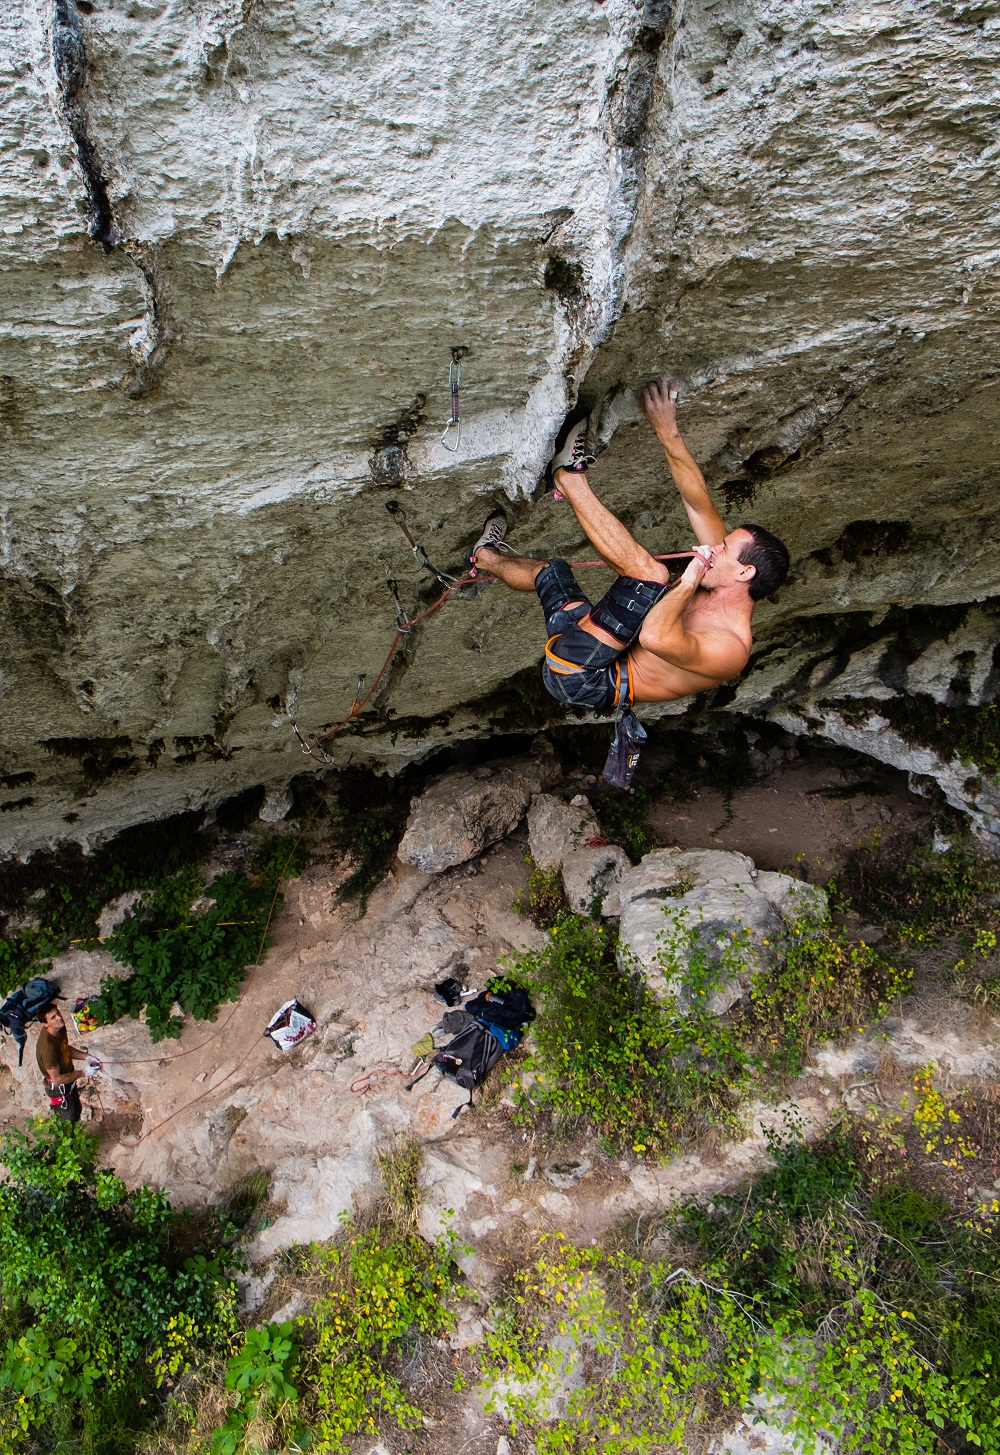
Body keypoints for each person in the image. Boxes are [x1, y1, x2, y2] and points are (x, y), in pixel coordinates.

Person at [469, 379, 789, 779]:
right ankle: (483, 557)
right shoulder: (725, 572)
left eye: (726, 547)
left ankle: (568, 478)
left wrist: (688, 578)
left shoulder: (730, 649)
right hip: (583, 650)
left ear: (745, 572)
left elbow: (655, 637)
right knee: (549, 573)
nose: (713, 546)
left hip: (585, 677)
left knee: (651, 574)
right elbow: (696, 499)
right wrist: (666, 428)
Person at [35, 1003, 91, 1122]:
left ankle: (76, 1140)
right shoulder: (48, 1049)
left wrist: (87, 1057)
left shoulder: (59, 1028)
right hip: (59, 1087)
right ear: (45, 1024)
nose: (59, 1018)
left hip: (68, 1080)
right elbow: (57, 1079)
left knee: (76, 1112)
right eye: (53, 1018)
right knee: (66, 1123)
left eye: (58, 1013)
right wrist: (83, 1073)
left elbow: (64, 1048)